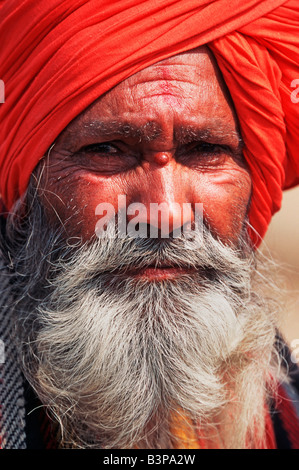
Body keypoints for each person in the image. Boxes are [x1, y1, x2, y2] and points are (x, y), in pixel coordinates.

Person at [0, 0, 299, 450]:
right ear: (25, 189)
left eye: (204, 151)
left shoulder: (285, 408)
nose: (164, 213)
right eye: (108, 151)